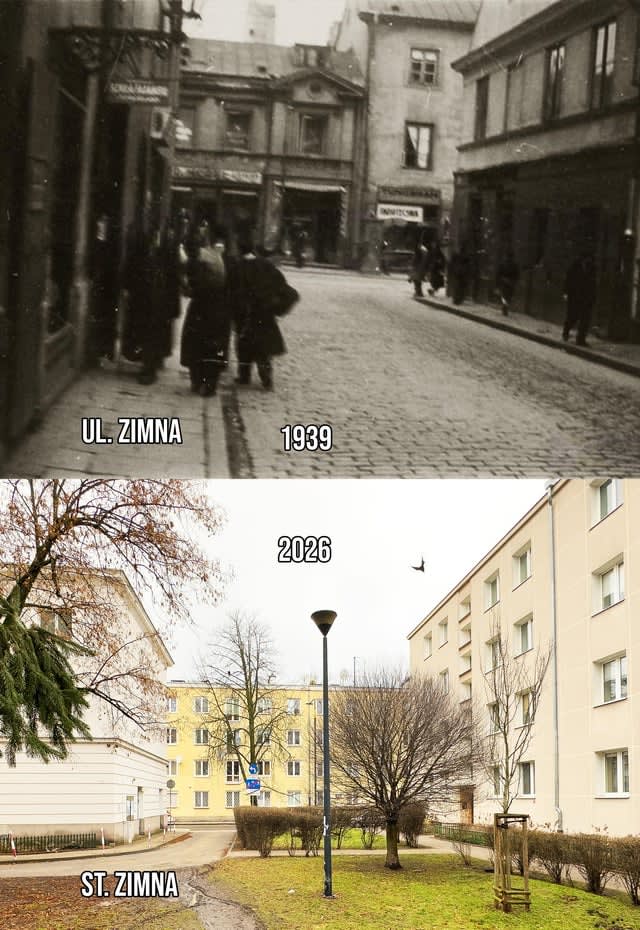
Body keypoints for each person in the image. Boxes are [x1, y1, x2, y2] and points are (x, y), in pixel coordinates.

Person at [231, 238, 299, 390]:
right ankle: (266, 378)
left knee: (243, 345)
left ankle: (244, 376)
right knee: (263, 348)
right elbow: (285, 289)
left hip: (245, 314)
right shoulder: (266, 265)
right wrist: (277, 308)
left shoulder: (237, 267)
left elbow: (232, 292)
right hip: (264, 314)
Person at [180, 223, 232, 396]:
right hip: (221, 308)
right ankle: (210, 384)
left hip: (200, 307)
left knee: (196, 342)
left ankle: (196, 380)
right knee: (215, 345)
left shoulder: (200, 256)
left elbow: (189, 282)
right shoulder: (230, 259)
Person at [137, 219, 182, 385]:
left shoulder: (166, 254)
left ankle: (149, 369)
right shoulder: (153, 254)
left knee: (154, 335)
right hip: (153, 302)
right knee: (152, 335)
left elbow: (173, 281)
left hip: (159, 303)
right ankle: (150, 367)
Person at [563, 250, 597, 347]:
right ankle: (566, 332)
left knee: (585, 319)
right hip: (574, 296)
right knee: (572, 317)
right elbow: (568, 280)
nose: (588, 261)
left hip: (586, 298)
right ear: (583, 258)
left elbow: (593, 284)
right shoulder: (575, 266)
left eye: (590, 259)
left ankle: (581, 340)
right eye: (587, 258)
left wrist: (593, 297)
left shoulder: (593, 268)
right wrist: (565, 292)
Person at [496, 249, 519, 316]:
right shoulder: (514, 265)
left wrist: (499, 281)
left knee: (505, 296)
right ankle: (505, 307)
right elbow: (517, 275)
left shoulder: (503, 264)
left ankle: (505, 307)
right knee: (506, 296)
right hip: (508, 283)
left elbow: (498, 274)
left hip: (506, 283)